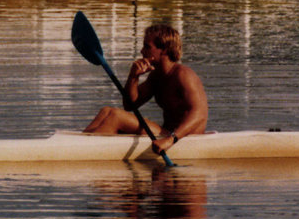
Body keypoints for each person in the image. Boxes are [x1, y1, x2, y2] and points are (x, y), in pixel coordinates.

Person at [83, 24, 208, 154]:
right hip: (167, 134)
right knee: (106, 111)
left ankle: (85, 152)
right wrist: (133, 77)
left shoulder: (183, 75)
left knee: (115, 116)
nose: (142, 51)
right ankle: (78, 143)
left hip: (185, 138)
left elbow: (200, 114)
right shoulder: (156, 76)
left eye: (147, 47)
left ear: (164, 50)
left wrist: (170, 140)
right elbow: (129, 105)